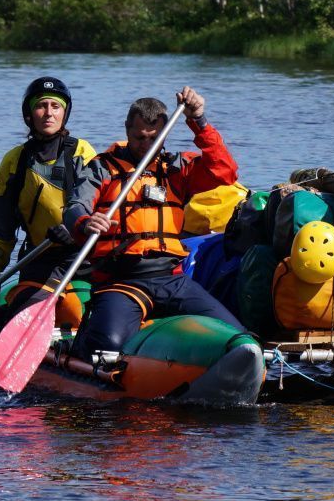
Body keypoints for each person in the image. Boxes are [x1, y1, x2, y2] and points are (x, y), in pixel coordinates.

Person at [65, 87, 244, 358]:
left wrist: (198, 120)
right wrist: (85, 222)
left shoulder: (176, 170)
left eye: (154, 138)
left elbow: (224, 171)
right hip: (121, 280)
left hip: (172, 280)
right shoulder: (101, 168)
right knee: (107, 347)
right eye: (138, 137)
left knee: (234, 335)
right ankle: (83, 345)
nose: (146, 145)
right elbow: (75, 207)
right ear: (127, 131)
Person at [0, 76, 97, 328]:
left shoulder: (82, 152)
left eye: (56, 106)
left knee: (78, 313)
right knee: (14, 318)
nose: (48, 113)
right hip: (38, 259)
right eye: (41, 106)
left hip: (84, 257)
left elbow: (99, 203)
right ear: (29, 114)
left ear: (65, 113)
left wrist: (73, 228)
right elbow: (3, 224)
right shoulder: (15, 161)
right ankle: (6, 323)